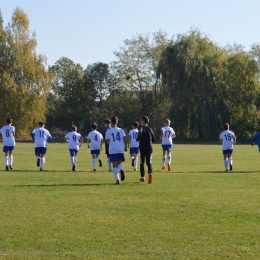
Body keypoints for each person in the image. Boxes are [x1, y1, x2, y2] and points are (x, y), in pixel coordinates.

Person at [105, 116, 127, 184]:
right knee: (119, 163)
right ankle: (121, 169)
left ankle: (118, 180)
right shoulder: (121, 130)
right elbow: (125, 139)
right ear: (117, 122)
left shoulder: (108, 131)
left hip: (113, 149)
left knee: (114, 165)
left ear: (111, 122)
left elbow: (107, 141)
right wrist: (126, 146)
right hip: (120, 148)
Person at [136, 116, 155, 184]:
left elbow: (139, 134)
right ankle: (150, 173)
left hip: (142, 147)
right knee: (148, 161)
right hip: (149, 147)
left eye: (141, 121)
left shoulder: (141, 128)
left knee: (142, 162)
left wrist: (138, 138)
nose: (140, 122)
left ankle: (142, 176)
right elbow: (153, 138)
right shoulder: (150, 129)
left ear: (143, 121)